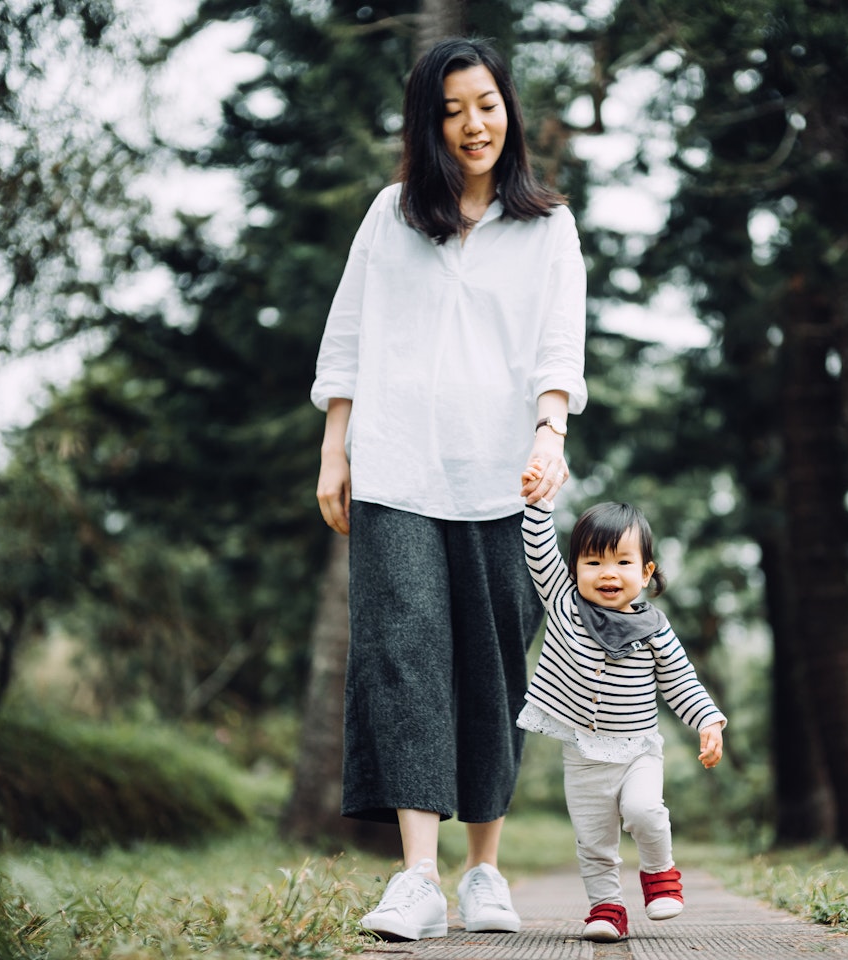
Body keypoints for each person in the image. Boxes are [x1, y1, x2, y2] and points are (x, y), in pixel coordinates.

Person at [310, 35, 586, 943]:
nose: (475, 125)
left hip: (503, 479)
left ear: (509, 108)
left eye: (488, 104)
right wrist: (334, 450)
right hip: (395, 469)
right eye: (454, 110)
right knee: (403, 655)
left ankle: (484, 873)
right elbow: (347, 339)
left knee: (494, 664)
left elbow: (559, 348)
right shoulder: (390, 216)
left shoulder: (548, 227)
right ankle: (418, 877)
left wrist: (550, 434)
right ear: (429, 125)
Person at [517, 480, 727, 943]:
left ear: (646, 571)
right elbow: (537, 553)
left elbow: (679, 680)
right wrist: (539, 502)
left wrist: (708, 720)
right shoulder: (564, 603)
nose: (607, 573)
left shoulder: (654, 627)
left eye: (622, 562)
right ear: (574, 569)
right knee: (593, 841)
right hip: (584, 752)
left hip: (637, 751)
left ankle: (659, 874)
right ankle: (607, 910)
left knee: (644, 809)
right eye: (593, 562)